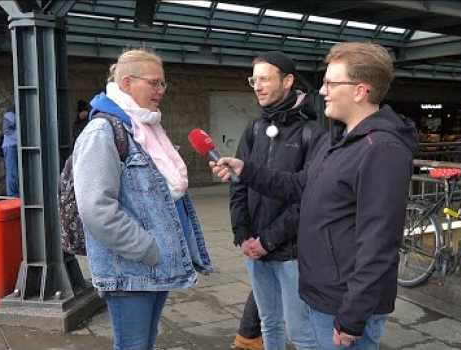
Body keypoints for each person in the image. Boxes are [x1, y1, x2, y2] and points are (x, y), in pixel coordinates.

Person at [212, 42, 418, 350]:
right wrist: (247, 170)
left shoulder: (382, 149)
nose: (322, 91)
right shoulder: (340, 140)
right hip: (323, 293)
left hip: (343, 304)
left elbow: (379, 243)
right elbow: (299, 185)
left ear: (360, 91)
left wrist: (352, 316)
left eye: (331, 83)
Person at [73, 49, 213, 350]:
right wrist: (146, 248)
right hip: (131, 268)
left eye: (163, 84)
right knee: (133, 346)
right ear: (126, 82)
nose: (160, 91)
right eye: (154, 83)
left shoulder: (143, 126)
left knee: (143, 345)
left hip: (154, 265)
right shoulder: (102, 131)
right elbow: (96, 208)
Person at [231, 51, 324, 350]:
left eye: (264, 79)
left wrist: (268, 241)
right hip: (254, 249)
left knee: (301, 332)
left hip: (291, 253)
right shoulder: (255, 128)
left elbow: (308, 196)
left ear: (287, 81)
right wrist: (243, 235)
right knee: (269, 322)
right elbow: (239, 184)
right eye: (253, 79)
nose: (257, 86)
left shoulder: (313, 132)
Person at [1, 106, 19, 197]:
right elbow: (6, 130)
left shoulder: (12, 113)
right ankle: (12, 198)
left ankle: (14, 197)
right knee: (12, 175)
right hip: (11, 146)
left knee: (14, 175)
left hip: (14, 146)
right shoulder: (10, 113)